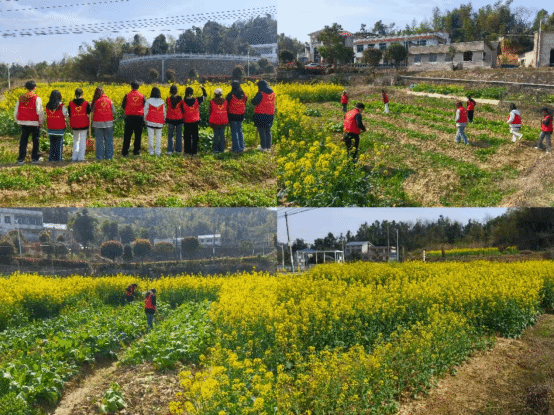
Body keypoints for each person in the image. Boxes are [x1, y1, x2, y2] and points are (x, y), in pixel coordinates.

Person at [14, 80, 45, 164]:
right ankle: (35, 158)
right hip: (34, 123)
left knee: (23, 141)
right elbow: (40, 112)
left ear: (26, 88)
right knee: (35, 141)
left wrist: (18, 121)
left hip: (23, 123)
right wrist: (41, 122)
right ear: (35, 88)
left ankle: (21, 159)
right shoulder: (37, 98)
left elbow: (16, 111)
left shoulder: (21, 98)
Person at [121, 80, 145, 157]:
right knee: (138, 135)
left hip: (129, 118)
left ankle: (125, 152)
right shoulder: (142, 96)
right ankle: (136, 151)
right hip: (139, 118)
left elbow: (123, 105)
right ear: (138, 87)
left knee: (127, 135)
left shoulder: (127, 95)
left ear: (131, 87)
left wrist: (129, 109)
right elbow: (145, 105)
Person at [91, 87, 115, 160]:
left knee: (99, 140)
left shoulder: (95, 101)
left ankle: (99, 157)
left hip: (97, 123)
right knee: (109, 139)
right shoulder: (109, 100)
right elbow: (113, 111)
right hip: (108, 123)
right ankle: (109, 156)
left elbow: (92, 111)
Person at [182, 85, 207, 156]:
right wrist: (202, 88)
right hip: (195, 121)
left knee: (187, 136)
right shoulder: (197, 100)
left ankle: (187, 151)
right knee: (195, 136)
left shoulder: (183, 101)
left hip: (187, 121)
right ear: (192, 93)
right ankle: (194, 151)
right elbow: (205, 96)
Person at [68, 87, 91, 162]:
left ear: (75, 94)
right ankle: (81, 157)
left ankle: (74, 157)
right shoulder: (86, 103)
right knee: (82, 141)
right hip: (83, 124)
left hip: (74, 124)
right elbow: (89, 112)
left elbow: (69, 114)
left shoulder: (70, 103)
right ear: (82, 94)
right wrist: (90, 105)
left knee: (75, 140)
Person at [44, 90, 68, 161]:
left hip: (51, 127)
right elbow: (66, 114)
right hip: (59, 127)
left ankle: (51, 158)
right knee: (59, 144)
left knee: (52, 144)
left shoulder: (48, 105)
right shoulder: (61, 106)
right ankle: (58, 158)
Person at [252, 80, 275, 152]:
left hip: (261, 114)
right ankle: (268, 147)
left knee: (261, 130)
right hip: (270, 114)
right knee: (268, 130)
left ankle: (263, 147)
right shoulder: (272, 93)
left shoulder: (260, 93)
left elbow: (254, 102)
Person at [226, 80, 247, 153]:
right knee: (239, 131)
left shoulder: (230, 95)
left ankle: (236, 148)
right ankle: (242, 147)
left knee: (234, 131)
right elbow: (245, 103)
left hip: (232, 115)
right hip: (241, 115)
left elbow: (226, 105)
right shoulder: (244, 95)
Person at [144, 87, 166, 156]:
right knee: (158, 138)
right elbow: (164, 112)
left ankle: (151, 151)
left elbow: (145, 111)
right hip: (159, 121)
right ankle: (158, 151)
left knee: (150, 137)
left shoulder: (148, 101)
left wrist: (145, 120)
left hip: (150, 121)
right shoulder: (162, 102)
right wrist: (164, 119)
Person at [208, 88, 229, 153]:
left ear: (215, 94)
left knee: (216, 134)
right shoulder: (225, 101)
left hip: (214, 121)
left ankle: (215, 149)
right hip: (223, 120)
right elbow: (227, 109)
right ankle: (222, 149)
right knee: (222, 134)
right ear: (221, 94)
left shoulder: (212, 101)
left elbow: (209, 111)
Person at [165, 84, 184, 155]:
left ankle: (170, 150)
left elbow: (168, 105)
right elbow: (182, 109)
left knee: (170, 135)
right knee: (179, 135)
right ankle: (178, 151)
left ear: (170, 91)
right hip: (179, 119)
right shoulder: (180, 99)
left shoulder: (168, 99)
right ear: (177, 91)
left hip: (170, 119)